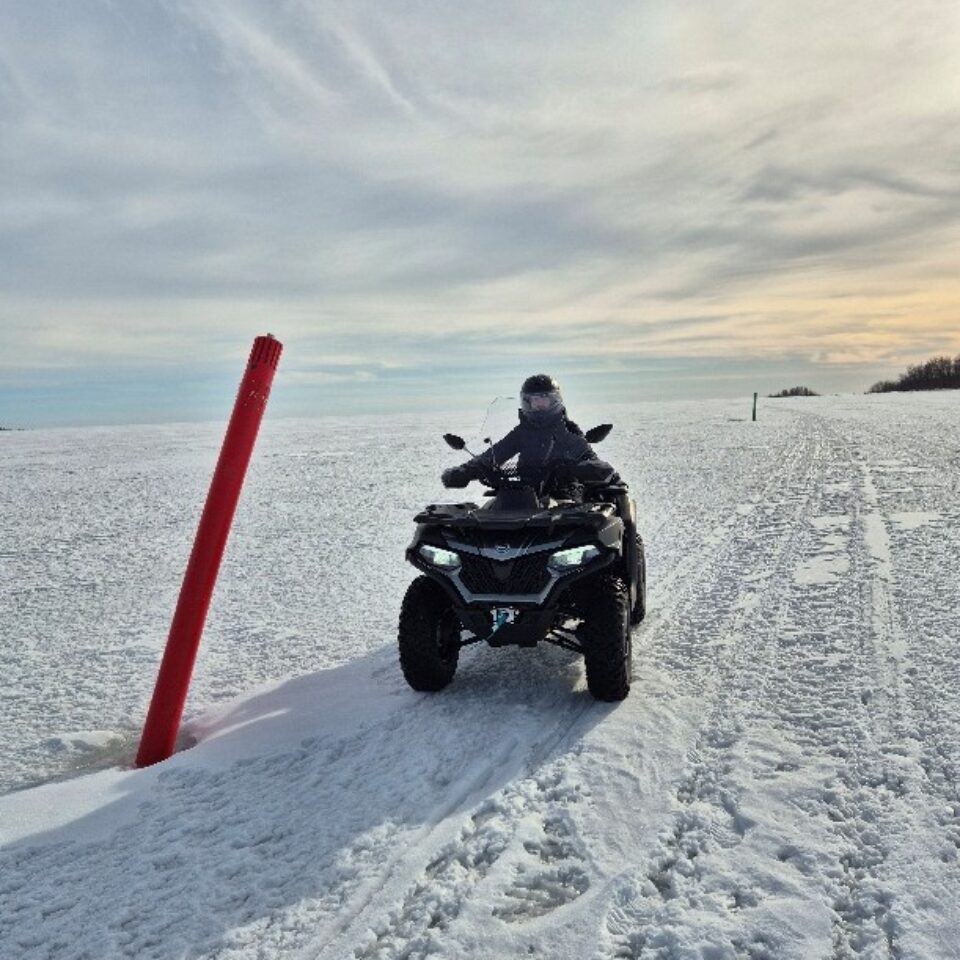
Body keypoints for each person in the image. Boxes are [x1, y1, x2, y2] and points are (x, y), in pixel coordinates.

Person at [441, 374, 619, 498]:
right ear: (527, 402)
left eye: (544, 399)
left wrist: (585, 468)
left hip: (563, 495)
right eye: (535, 400)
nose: (539, 404)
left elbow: (589, 456)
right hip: (521, 495)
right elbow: (494, 454)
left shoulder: (567, 431)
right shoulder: (521, 433)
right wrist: (464, 471)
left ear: (555, 400)